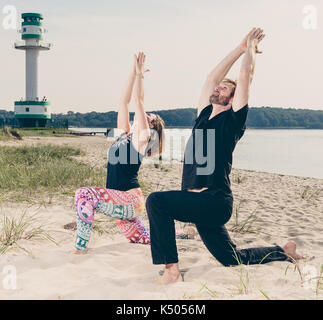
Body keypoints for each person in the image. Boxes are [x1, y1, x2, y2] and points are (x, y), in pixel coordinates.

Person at [145, 28, 304, 284]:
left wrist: (251, 50)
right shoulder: (203, 116)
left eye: (226, 88)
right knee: (230, 257)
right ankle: (283, 252)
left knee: (156, 202)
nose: (220, 86)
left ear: (232, 98)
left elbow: (245, 75)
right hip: (196, 204)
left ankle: (171, 270)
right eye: (221, 85)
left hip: (214, 201)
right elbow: (211, 76)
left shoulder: (232, 121)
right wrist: (239, 47)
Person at [72, 52, 165, 254]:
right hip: (121, 202)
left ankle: (80, 249)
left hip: (129, 200)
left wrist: (141, 75)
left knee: (83, 194)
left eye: (151, 118)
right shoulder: (125, 134)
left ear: (151, 127)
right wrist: (133, 73)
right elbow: (124, 102)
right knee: (144, 239)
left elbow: (139, 101)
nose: (147, 116)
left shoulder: (143, 138)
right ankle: (183, 235)